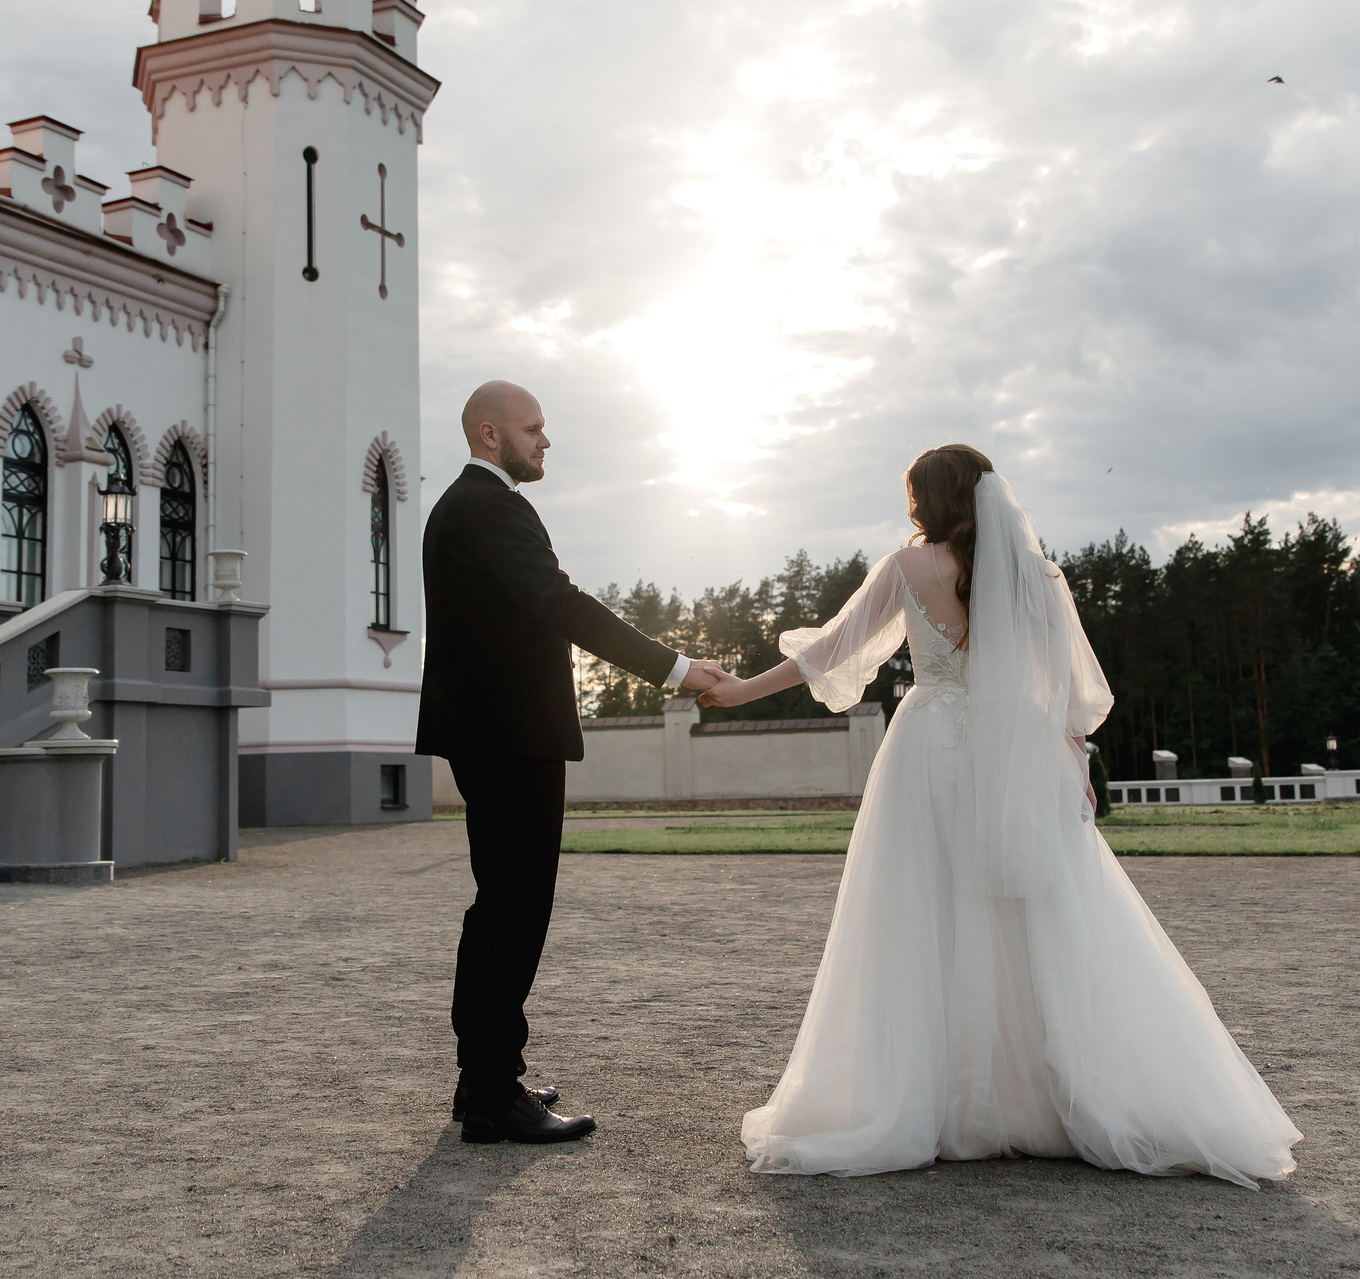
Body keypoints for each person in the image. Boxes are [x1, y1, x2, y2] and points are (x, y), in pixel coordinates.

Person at [697, 445, 1302, 1181]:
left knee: (921, 913)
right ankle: (1042, 1096)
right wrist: (1070, 767)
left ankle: (941, 1099)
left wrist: (737, 691)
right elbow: (1061, 695)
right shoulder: (1039, 577)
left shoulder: (906, 569)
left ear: (928, 499)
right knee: (1036, 916)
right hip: (1014, 754)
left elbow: (830, 651)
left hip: (927, 751)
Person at [416, 381, 728, 1144]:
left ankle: (483, 1079)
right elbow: (562, 603)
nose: (545, 441)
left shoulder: (465, 507)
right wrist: (676, 669)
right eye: (534, 430)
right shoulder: (489, 507)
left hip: (491, 732)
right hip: (509, 735)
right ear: (490, 435)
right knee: (514, 909)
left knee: (500, 903)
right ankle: (493, 1090)